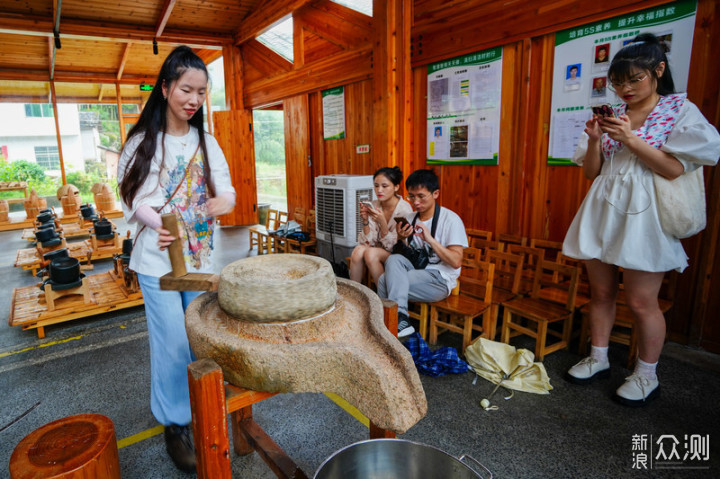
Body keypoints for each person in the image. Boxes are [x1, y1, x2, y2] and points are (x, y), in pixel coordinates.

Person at [562, 33, 720, 406]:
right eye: (618, 82)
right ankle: (598, 358)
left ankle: (646, 374)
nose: (625, 89)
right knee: (600, 293)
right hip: (603, 207)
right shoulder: (616, 115)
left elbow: (671, 169)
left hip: (646, 213)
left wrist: (632, 140)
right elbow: (591, 173)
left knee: (642, 302)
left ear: (658, 70)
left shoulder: (679, 110)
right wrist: (597, 140)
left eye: (635, 79)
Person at [117, 46, 236, 471]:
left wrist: (222, 202)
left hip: (201, 259)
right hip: (157, 262)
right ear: (165, 88)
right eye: (187, 89)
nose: (194, 100)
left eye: (202, 93)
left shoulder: (207, 140)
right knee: (171, 343)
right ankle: (176, 423)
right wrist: (155, 221)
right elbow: (131, 195)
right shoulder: (141, 142)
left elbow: (227, 190)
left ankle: (206, 409)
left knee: (201, 335)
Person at [377, 169, 468, 338]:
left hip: (439, 279)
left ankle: (390, 323)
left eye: (421, 196)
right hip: (418, 270)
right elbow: (402, 256)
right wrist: (402, 239)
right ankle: (395, 324)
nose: (415, 202)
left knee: (385, 281)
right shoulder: (410, 217)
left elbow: (456, 261)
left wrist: (430, 239)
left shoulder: (451, 220)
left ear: (435, 194)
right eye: (411, 197)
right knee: (393, 260)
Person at [350, 167, 412, 285]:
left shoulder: (405, 210)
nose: (379, 190)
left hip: (397, 255)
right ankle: (355, 292)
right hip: (377, 249)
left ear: (396, 187)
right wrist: (365, 221)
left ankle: (384, 296)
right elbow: (368, 242)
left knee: (371, 253)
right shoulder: (374, 205)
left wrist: (383, 223)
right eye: (376, 185)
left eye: (384, 186)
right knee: (358, 250)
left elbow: (394, 247)